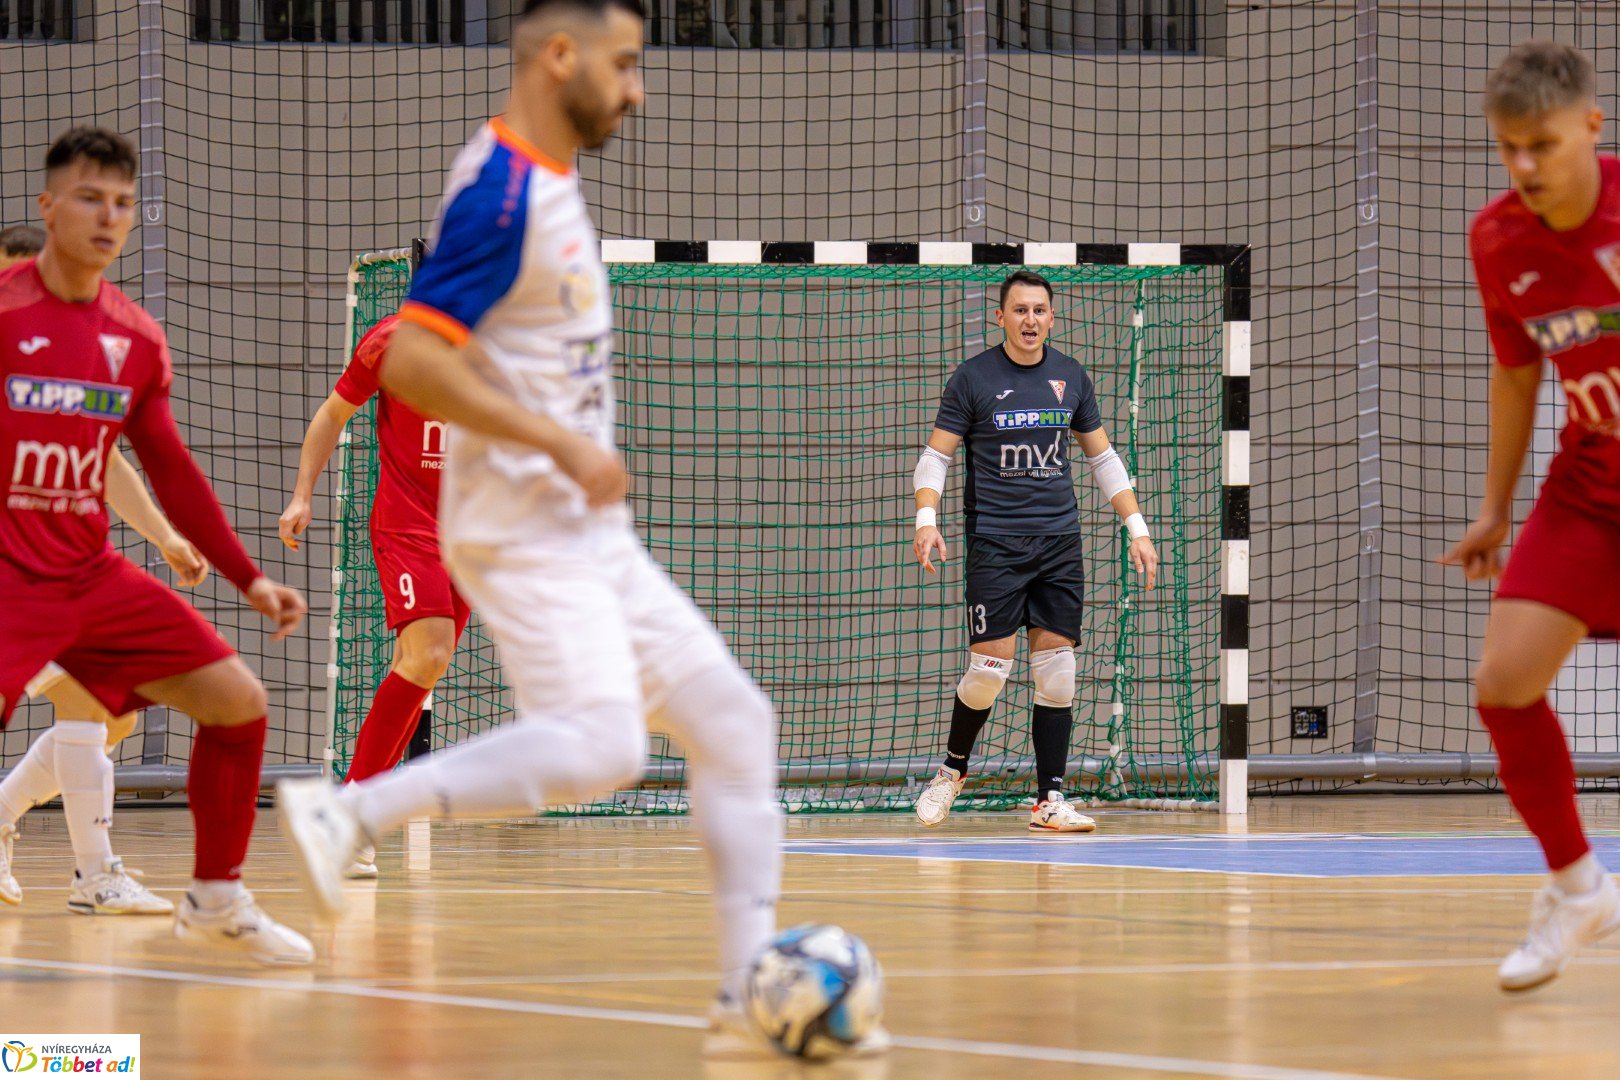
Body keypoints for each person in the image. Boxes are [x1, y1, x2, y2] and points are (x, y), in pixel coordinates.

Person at [276, 0, 873, 1056]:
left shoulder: (551, 182)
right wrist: (557, 443)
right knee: (604, 745)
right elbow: (411, 361)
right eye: (627, 64)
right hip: (520, 524)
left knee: (736, 726)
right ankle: (349, 813)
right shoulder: (501, 192)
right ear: (561, 57)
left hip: (584, 530)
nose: (639, 89)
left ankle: (744, 999)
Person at [0, 126, 312, 964]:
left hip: (86, 576)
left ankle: (214, 897)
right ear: (48, 207)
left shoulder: (132, 336)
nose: (108, 216)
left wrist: (248, 578)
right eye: (89, 197)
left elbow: (165, 466)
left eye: (123, 203)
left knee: (237, 701)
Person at [1442, 39, 1620, 991]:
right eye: (1507, 147)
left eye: (1541, 145)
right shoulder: (1499, 240)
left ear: (1591, 126)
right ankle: (1579, 886)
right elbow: (1516, 376)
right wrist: (1494, 511)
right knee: (1505, 681)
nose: (1522, 166)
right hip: (1590, 491)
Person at [910, 270, 1159, 833]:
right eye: (1019, 310)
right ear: (1000, 317)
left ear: (1052, 317)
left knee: (1058, 671)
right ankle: (952, 770)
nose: (1030, 320)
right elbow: (936, 459)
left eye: (1039, 310)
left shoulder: (1070, 377)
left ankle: (1050, 799)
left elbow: (1102, 459)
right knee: (989, 672)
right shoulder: (972, 378)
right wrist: (927, 520)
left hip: (1059, 544)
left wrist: (1137, 527)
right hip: (996, 544)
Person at [279, 307, 470, 878]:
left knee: (422, 669)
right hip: (407, 523)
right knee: (429, 652)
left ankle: (349, 817)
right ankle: (349, 812)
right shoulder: (390, 340)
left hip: (471, 530)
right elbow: (333, 414)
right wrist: (301, 494)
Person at [0, 448, 208, 915]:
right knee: (87, 703)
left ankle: (7, 817)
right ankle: (95, 874)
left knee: (115, 718)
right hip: (16, 568)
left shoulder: (81, 382)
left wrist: (164, 536)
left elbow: (106, 460)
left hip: (67, 571)